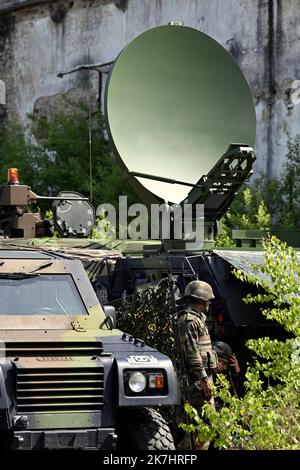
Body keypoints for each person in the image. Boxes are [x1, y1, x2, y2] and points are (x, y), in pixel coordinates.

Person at [177, 280, 217, 450]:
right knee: (202, 425)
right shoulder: (189, 321)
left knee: (207, 424)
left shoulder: (197, 318)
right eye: (208, 300)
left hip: (202, 379)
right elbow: (193, 354)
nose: (210, 303)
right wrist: (203, 379)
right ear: (201, 301)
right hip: (196, 382)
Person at [212, 341, 243, 409]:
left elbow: (235, 393)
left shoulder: (221, 374)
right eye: (223, 363)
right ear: (215, 359)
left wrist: (237, 372)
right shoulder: (207, 374)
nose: (225, 367)